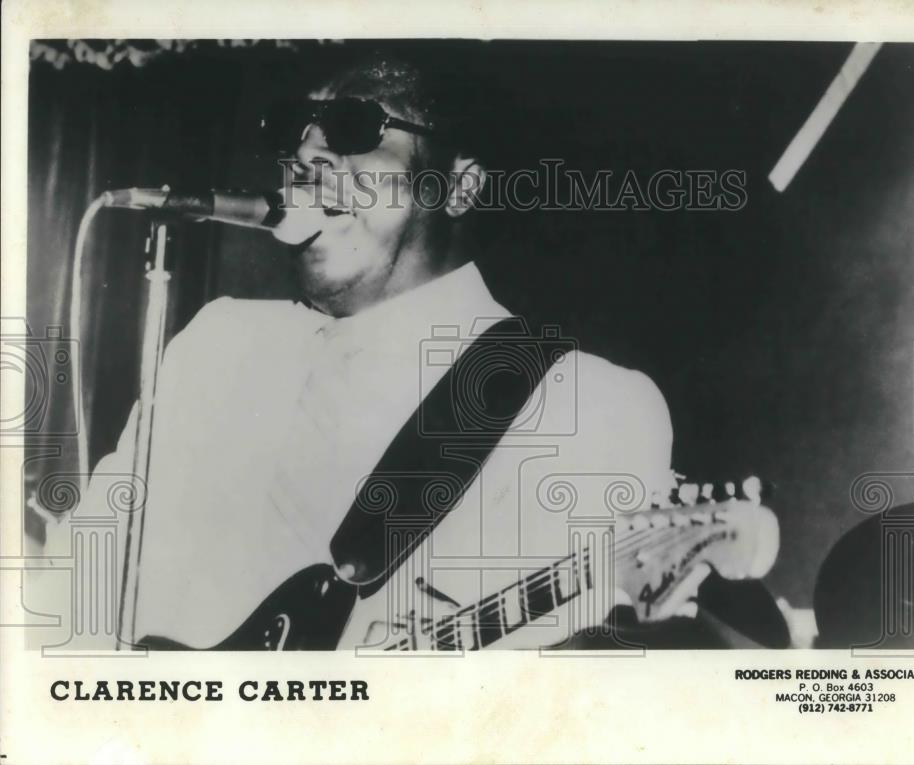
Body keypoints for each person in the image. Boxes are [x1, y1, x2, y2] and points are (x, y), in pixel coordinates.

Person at [68, 50, 677, 650]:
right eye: (293, 132)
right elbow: (78, 585)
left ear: (458, 187)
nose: (306, 154)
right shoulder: (215, 342)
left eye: (356, 127)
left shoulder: (582, 401)